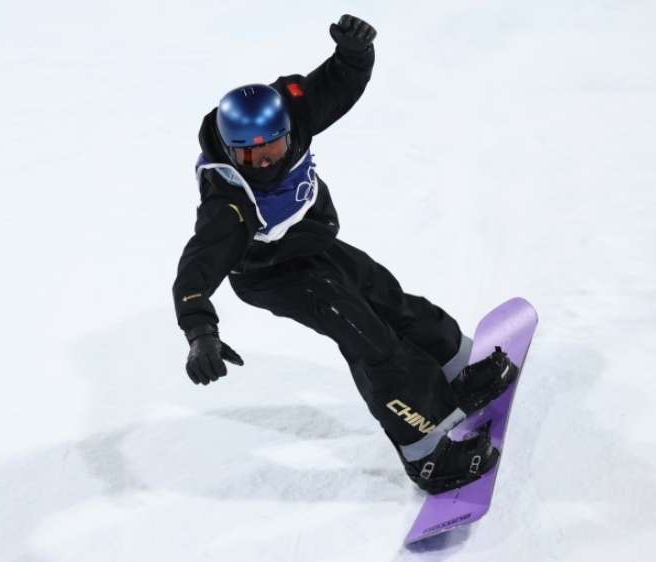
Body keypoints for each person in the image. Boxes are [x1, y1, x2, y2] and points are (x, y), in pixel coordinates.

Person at [172, 14, 519, 494]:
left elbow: (335, 86)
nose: (266, 164)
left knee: (384, 293)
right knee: (368, 338)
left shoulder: (295, 114)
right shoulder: (228, 202)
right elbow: (197, 267)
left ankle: (456, 371)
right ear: (231, 153)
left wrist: (354, 54)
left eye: (273, 149)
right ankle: (425, 455)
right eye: (250, 158)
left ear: (287, 131)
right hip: (272, 275)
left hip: (310, 241)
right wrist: (200, 332)